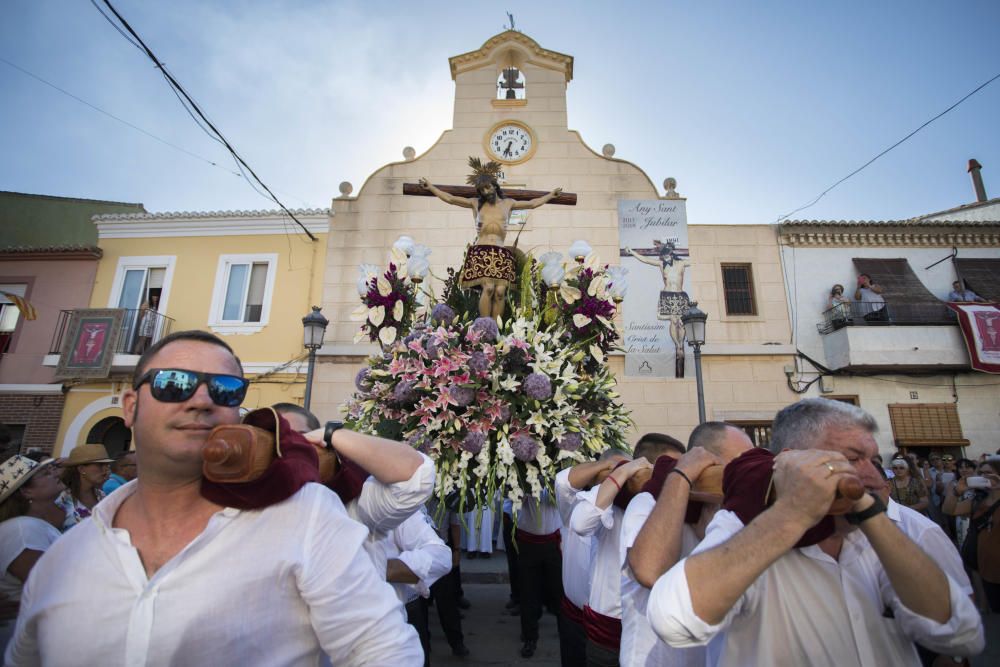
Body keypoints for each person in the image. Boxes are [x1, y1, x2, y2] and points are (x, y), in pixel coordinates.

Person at [6, 330, 422, 665]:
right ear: (130, 406)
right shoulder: (62, 563)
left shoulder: (305, 514)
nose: (202, 400)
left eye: (225, 390)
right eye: (174, 384)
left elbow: (382, 649)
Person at [647, 398, 984, 666]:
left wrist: (869, 512)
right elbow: (672, 620)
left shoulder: (888, 533)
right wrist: (794, 511)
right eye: (853, 458)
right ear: (793, 461)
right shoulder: (742, 525)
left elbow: (962, 635)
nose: (873, 476)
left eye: (872, 459)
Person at [623, 423, 752, 667]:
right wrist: (681, 477)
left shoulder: (733, 512)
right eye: (738, 464)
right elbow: (650, 572)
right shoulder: (647, 502)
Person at [273, 402, 436, 574]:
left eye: (300, 438)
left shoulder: (352, 497)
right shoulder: (248, 502)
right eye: (278, 440)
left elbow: (417, 474)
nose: (288, 449)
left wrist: (331, 434)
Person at [569, 434, 683, 666]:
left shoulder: (676, 502)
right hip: (608, 629)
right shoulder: (611, 495)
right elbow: (580, 523)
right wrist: (622, 473)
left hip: (650, 632)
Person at [419, 157, 562, 319]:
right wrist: (431, 187)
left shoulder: (509, 203)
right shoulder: (475, 203)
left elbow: (533, 204)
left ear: (494, 186)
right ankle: (486, 325)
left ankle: (496, 329)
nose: (486, 192)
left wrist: (551, 195)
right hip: (482, 250)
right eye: (482, 190)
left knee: (500, 292)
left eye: (487, 187)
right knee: (488, 288)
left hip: (501, 253)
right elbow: (451, 199)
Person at [554, 451, 626, 667]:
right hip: (574, 618)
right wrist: (608, 466)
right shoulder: (575, 507)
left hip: (609, 625)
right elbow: (562, 481)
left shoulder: (627, 508)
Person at [0, 456, 65, 651]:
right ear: (26, 491)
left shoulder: (30, 526)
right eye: (45, 474)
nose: (54, 473)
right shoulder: (23, 530)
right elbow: (50, 587)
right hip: (24, 639)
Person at [382, 509, 452, 667]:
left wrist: (380, 567)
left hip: (397, 620)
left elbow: (441, 556)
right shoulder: (319, 505)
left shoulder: (391, 503)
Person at [625, 242, 693, 378]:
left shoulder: (681, 264)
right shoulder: (662, 265)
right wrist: (632, 251)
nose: (665, 258)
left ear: (671, 254)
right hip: (668, 294)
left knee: (682, 322)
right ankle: (678, 345)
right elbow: (646, 260)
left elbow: (697, 259)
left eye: (667, 255)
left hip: (680, 294)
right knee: (673, 321)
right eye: (663, 256)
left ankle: (681, 346)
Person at [515, 489, 564, 659]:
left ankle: (565, 633)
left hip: (552, 542)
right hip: (527, 541)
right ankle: (530, 638)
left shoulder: (558, 477)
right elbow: (514, 499)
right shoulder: (519, 474)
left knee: (559, 592)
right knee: (528, 593)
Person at [56, 443, 113, 530]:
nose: (106, 469)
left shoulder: (101, 495)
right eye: (100, 465)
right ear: (81, 469)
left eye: (107, 465)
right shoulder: (62, 498)